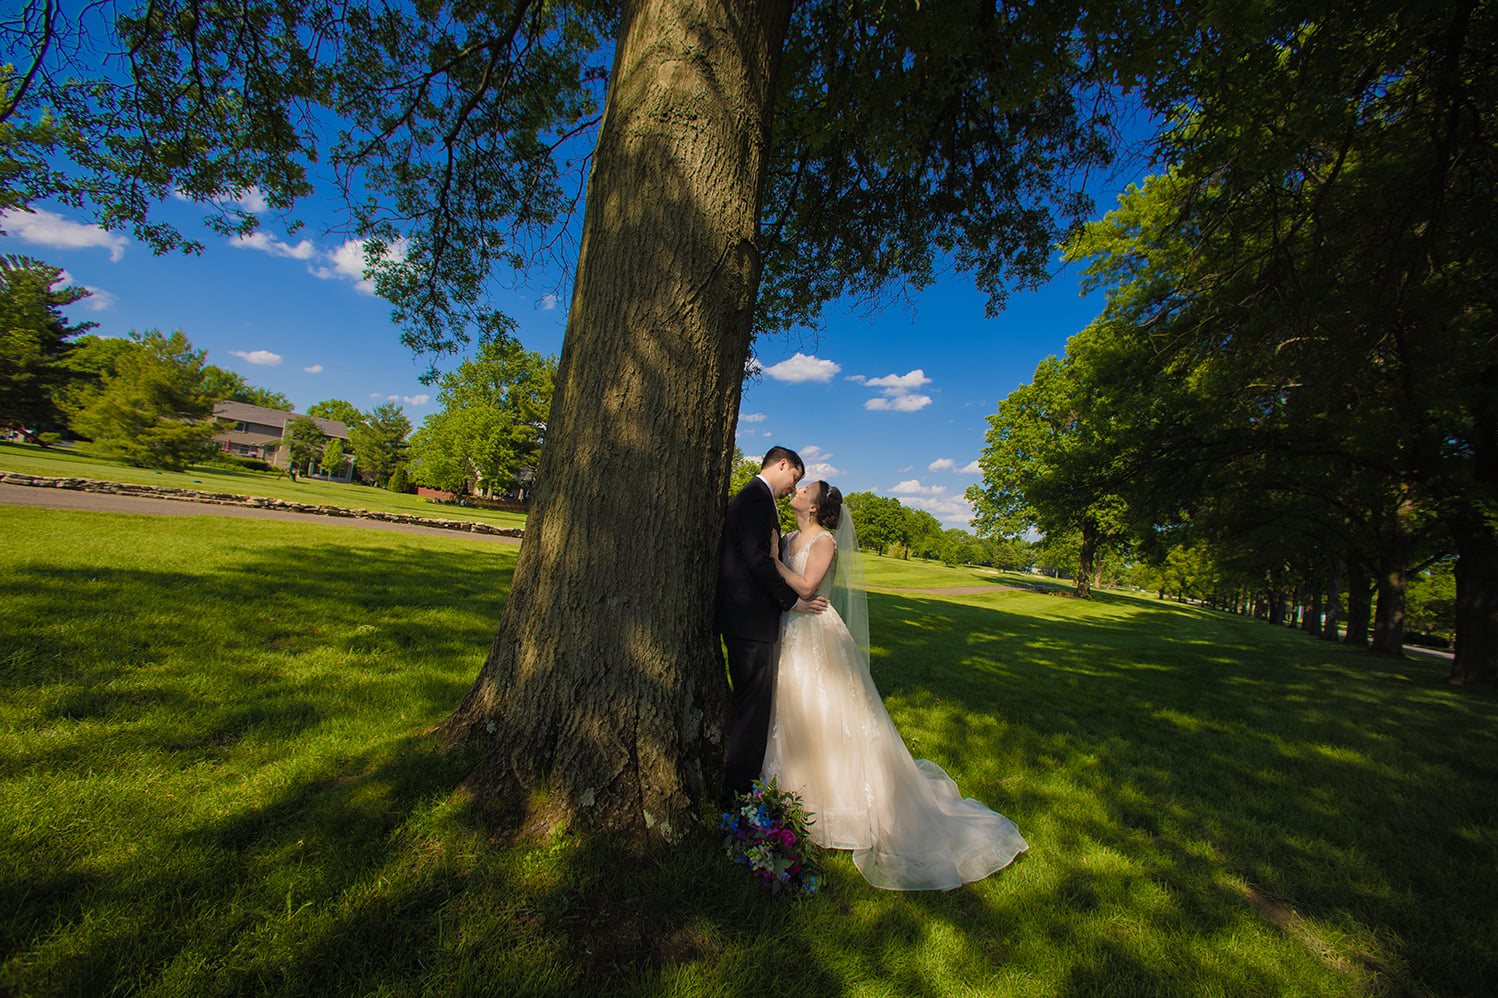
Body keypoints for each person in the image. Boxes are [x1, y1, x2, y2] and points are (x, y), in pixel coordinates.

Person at [762, 480, 1028, 891]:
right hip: (790, 629)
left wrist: (772, 562)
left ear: (814, 508)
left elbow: (807, 587)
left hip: (817, 633)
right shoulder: (791, 535)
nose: (796, 491)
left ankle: (836, 808)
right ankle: (788, 793)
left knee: (827, 713)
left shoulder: (824, 542)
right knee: (791, 711)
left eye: (804, 490)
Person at [715, 446, 828, 797]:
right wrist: (792, 601)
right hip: (749, 622)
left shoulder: (758, 500)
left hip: (749, 621)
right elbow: (759, 560)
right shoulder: (756, 500)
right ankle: (739, 795)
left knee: (753, 708)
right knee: (752, 712)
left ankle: (742, 787)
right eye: (794, 478)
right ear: (782, 465)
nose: (793, 488)